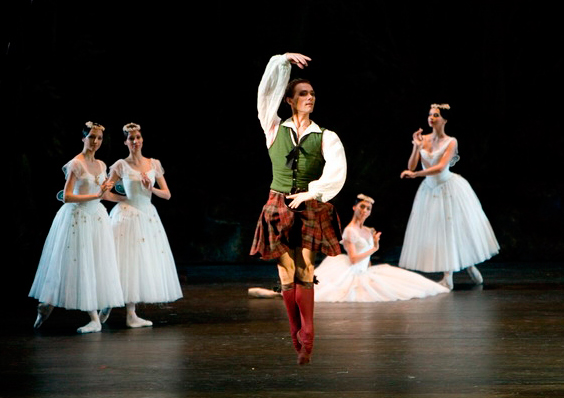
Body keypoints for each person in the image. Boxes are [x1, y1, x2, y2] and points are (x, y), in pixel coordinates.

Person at [250, 53, 347, 365]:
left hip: (308, 206)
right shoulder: (273, 127)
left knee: (305, 267)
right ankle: (294, 329)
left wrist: (311, 193)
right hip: (277, 204)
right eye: (303, 94)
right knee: (286, 272)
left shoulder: (326, 136)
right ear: (289, 100)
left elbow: (337, 172)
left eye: (312, 94)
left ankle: (309, 332)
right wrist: (281, 62)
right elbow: (265, 93)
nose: (309, 98)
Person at [28, 122, 125, 334]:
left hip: (96, 218)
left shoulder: (101, 165)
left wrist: (125, 199)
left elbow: (104, 194)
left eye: (99, 138)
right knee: (71, 265)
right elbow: (67, 196)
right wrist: (95, 196)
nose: (95, 142)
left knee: (94, 264)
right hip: (77, 217)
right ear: (83, 138)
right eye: (92, 137)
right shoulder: (76, 164)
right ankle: (49, 306)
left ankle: (94, 316)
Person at [399, 104, 500, 289]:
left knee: (452, 230)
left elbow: (440, 167)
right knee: (437, 232)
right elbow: (412, 165)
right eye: (430, 114)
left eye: (436, 115)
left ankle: (456, 272)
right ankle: (458, 269)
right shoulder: (424, 139)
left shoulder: (451, 142)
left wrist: (416, 175)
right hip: (429, 191)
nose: (431, 118)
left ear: (444, 120)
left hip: (448, 188)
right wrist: (416, 147)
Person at [100, 122, 182, 328]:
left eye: (137, 137)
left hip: (147, 215)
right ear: (125, 141)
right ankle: (108, 301)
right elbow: (105, 193)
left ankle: (131, 313)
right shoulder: (120, 165)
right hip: (127, 215)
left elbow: (167, 194)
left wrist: (150, 188)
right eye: (131, 138)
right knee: (122, 260)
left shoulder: (153, 164)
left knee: (137, 263)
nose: (135, 141)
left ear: (142, 139)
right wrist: (123, 199)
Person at [314, 194, 449, 302]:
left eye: (368, 208)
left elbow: (367, 258)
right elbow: (354, 259)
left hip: (365, 269)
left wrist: (371, 256)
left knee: (403, 280)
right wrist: (374, 249)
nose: (364, 211)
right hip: (353, 270)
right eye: (362, 207)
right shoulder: (350, 231)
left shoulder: (368, 230)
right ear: (354, 207)